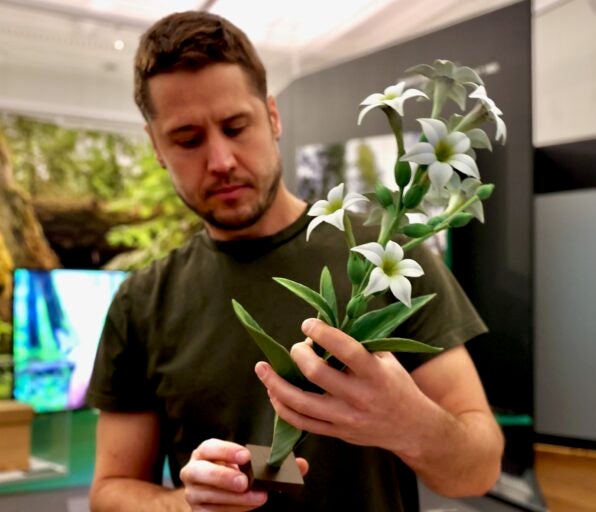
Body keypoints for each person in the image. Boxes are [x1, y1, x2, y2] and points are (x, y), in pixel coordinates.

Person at [86, 10, 504, 512]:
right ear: (156, 146)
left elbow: (479, 470)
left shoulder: (389, 258)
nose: (220, 160)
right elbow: (109, 490)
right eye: (188, 139)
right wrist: (186, 506)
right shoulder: (142, 301)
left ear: (273, 117)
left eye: (236, 126)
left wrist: (408, 423)